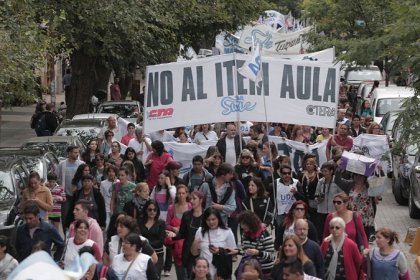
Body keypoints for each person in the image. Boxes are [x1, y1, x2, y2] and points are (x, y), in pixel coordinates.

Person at [191, 208, 237, 280]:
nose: (211, 222)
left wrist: (220, 251)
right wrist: (194, 243)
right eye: (208, 220)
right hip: (204, 272)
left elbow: (233, 253)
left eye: (213, 219)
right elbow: (194, 253)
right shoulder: (200, 231)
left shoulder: (227, 232)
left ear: (218, 219)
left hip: (221, 272)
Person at [170, 190, 204, 280]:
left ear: (201, 200)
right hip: (188, 251)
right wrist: (173, 236)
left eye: (194, 199)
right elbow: (182, 233)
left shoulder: (206, 215)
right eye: (191, 199)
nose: (191, 201)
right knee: (189, 275)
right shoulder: (186, 215)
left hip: (203, 251)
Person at [165, 185, 192, 280]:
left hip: (189, 242)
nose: (181, 195)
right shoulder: (171, 208)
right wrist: (174, 228)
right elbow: (167, 224)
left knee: (190, 270)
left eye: (183, 193)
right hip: (176, 243)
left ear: (187, 194)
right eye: (179, 193)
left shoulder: (191, 207)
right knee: (179, 270)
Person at [237, 211, 275, 277]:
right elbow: (245, 252)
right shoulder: (245, 234)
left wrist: (258, 253)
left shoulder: (265, 234)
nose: (241, 226)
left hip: (265, 271)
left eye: (243, 224)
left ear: (251, 223)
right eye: (240, 224)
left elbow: (271, 256)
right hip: (251, 270)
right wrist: (237, 251)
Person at [57, 145, 84, 232]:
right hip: (66, 196)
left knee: (79, 217)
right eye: (75, 152)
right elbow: (58, 178)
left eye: (78, 152)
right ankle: (66, 236)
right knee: (65, 217)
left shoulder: (81, 164)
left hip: (78, 195)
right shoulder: (62, 164)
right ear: (69, 153)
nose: (77, 154)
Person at [314, 161, 343, 239]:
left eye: (326, 171)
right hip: (321, 211)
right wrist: (318, 198)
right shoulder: (320, 182)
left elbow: (342, 195)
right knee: (321, 232)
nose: (324, 173)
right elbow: (316, 196)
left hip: (333, 211)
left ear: (331, 171)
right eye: (322, 171)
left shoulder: (337, 181)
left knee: (333, 230)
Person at [138, 200, 166, 278]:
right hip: (143, 254)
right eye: (150, 209)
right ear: (146, 210)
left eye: (154, 210)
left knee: (155, 276)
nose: (152, 212)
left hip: (158, 254)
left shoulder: (161, 223)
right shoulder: (140, 222)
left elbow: (161, 241)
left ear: (157, 211)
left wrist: (146, 244)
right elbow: (138, 236)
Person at [100, 165, 119, 229]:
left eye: (113, 172)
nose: (111, 173)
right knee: (107, 225)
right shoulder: (103, 183)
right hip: (106, 207)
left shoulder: (118, 182)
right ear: (107, 173)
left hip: (115, 208)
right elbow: (101, 196)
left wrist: (115, 183)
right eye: (109, 171)